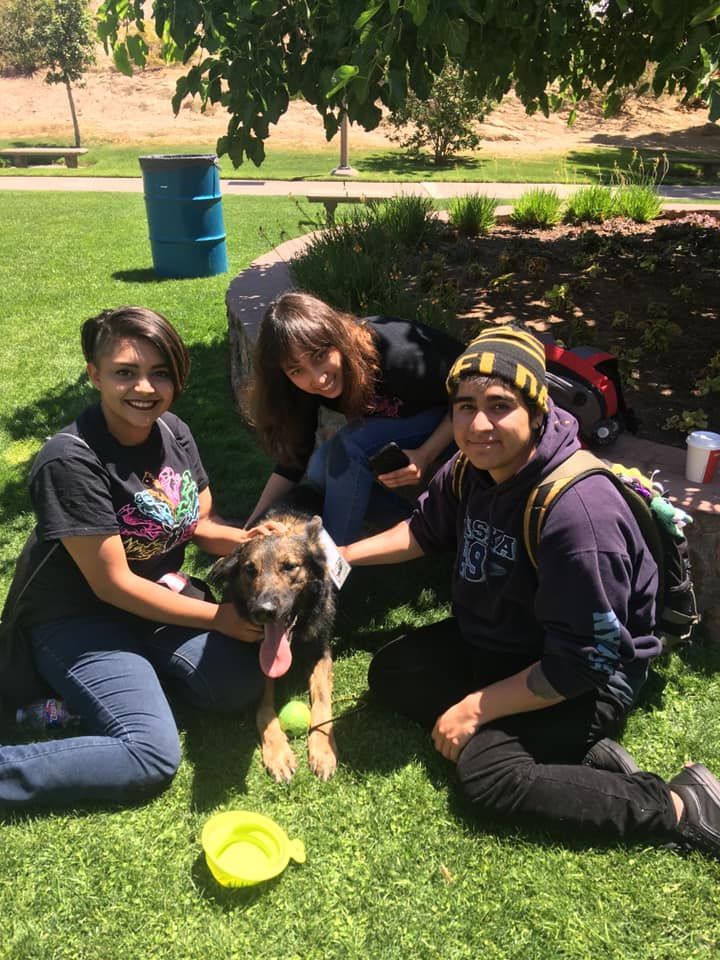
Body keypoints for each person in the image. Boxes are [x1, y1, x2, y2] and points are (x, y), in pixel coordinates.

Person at [342, 324, 720, 858]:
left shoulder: (576, 513)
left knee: (486, 775)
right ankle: (571, 755)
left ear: (537, 410)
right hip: (508, 639)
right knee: (391, 673)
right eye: (465, 406)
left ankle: (681, 806)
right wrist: (340, 556)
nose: (478, 424)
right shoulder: (471, 466)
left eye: (500, 405)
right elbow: (424, 532)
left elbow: (584, 661)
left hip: (589, 673)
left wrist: (475, 708)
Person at [0, 306, 279, 808]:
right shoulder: (69, 460)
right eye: (125, 373)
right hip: (78, 619)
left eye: (160, 373)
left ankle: (90, 699)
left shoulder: (173, 431)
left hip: (154, 599)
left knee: (235, 687)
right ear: (95, 375)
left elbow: (193, 523)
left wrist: (249, 540)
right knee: (149, 754)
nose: (145, 389)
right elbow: (112, 586)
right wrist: (219, 618)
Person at [245, 291, 464, 544]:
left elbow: (468, 398)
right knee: (319, 470)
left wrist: (425, 455)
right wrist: (249, 528)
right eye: (297, 370)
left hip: (458, 421)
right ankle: (422, 527)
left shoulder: (400, 356)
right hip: (407, 424)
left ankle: (330, 569)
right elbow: (293, 461)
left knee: (349, 448)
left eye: (320, 356)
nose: (318, 379)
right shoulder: (303, 386)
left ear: (337, 338)